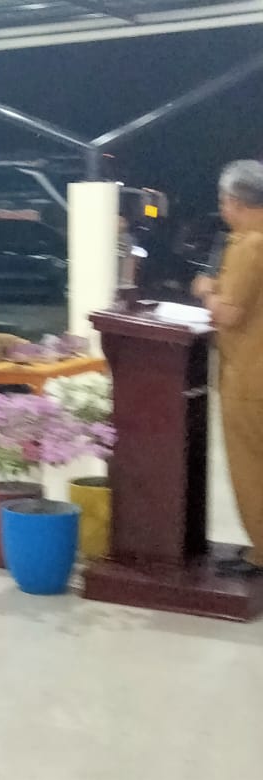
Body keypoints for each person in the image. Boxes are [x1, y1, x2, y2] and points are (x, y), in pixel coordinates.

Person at [193, 160, 263, 578]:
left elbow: (232, 313)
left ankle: (261, 553)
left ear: (234, 201)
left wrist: (207, 292)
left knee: (251, 467)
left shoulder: (250, 245)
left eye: (224, 200)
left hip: (249, 377)